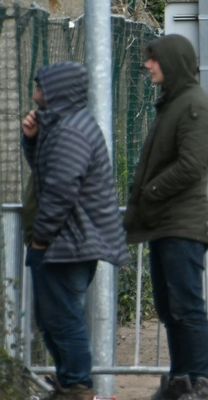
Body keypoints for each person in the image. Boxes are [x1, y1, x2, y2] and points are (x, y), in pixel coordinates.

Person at [21, 62, 129, 400]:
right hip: (64, 242)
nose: (36, 87)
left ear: (57, 90)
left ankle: (78, 387)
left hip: (66, 244)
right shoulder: (62, 127)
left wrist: (41, 235)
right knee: (53, 320)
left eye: (42, 83)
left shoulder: (71, 131)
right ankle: (70, 383)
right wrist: (32, 142)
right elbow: (47, 174)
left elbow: (61, 189)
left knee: (65, 321)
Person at [123, 34, 208, 400]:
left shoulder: (193, 105)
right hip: (166, 223)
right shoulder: (175, 103)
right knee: (170, 306)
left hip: (182, 223)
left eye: (154, 60)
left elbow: (191, 166)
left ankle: (197, 381)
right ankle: (181, 378)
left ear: (173, 63)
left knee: (185, 305)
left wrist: (151, 192)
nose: (148, 66)